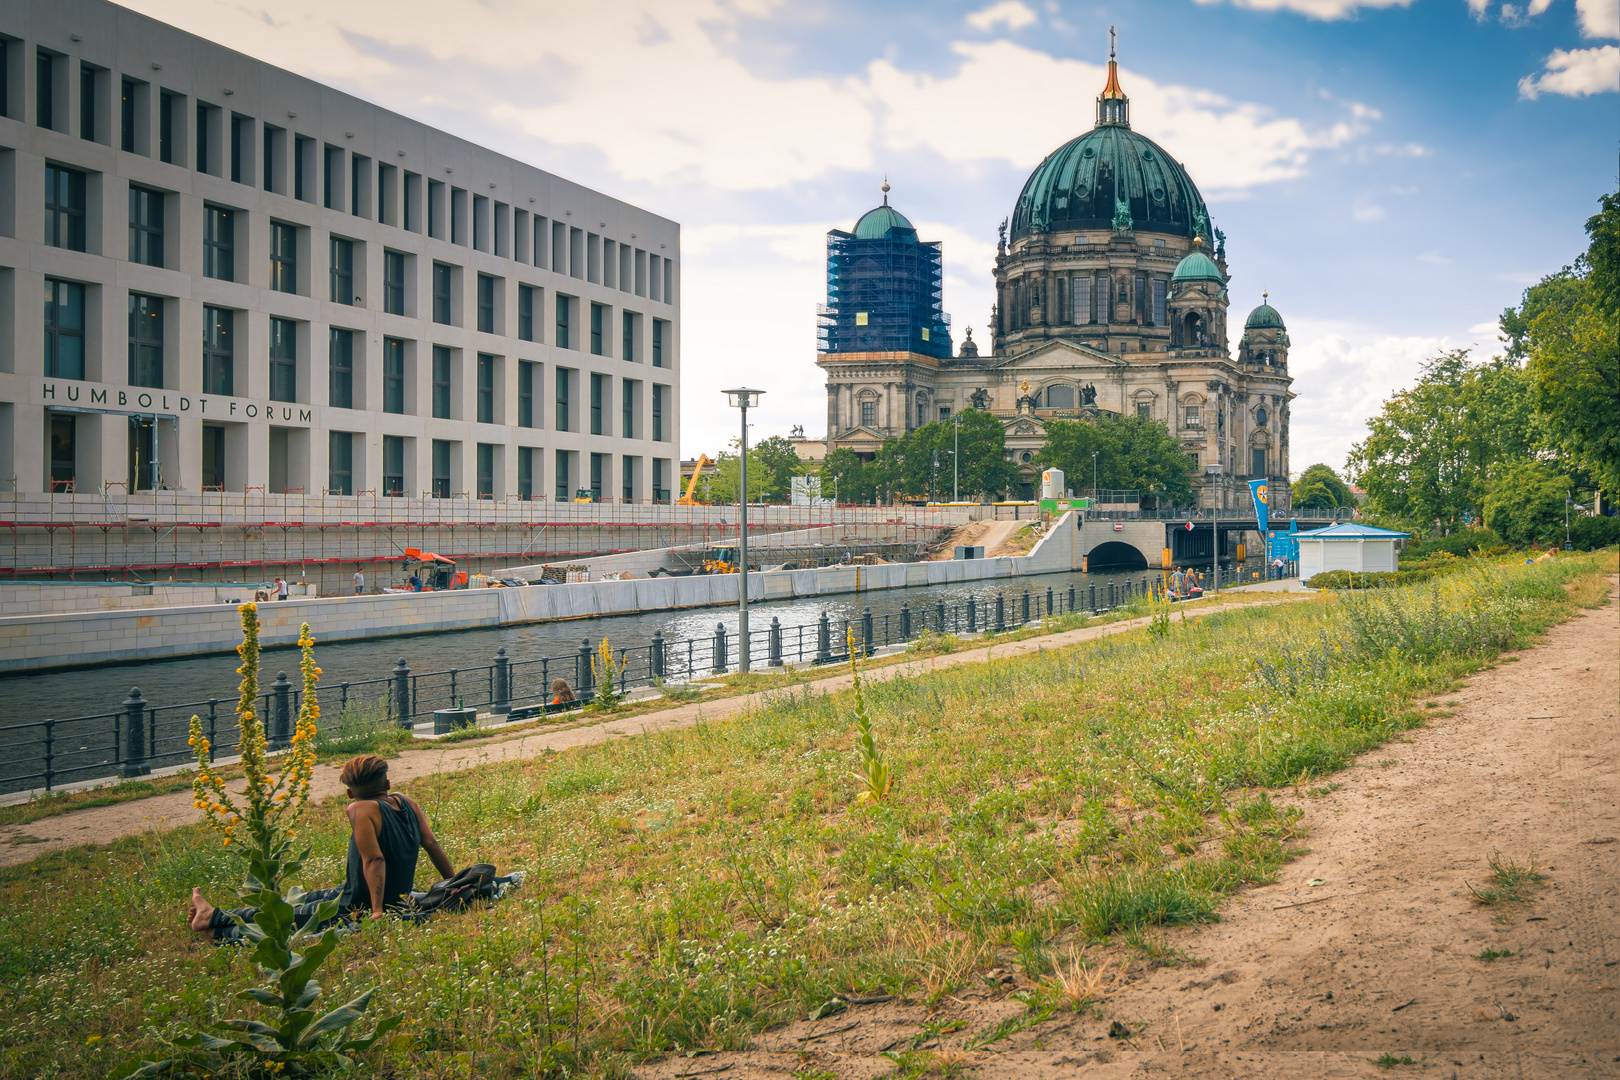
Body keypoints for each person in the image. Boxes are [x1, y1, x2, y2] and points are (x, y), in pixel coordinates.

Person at [187, 755, 454, 942]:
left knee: (287, 917)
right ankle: (214, 919)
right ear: (387, 784)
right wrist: (453, 882)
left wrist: (376, 911)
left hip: (356, 904)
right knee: (302, 899)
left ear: (349, 793)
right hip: (373, 893)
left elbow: (374, 860)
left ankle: (214, 922)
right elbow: (431, 845)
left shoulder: (360, 808)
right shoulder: (406, 801)